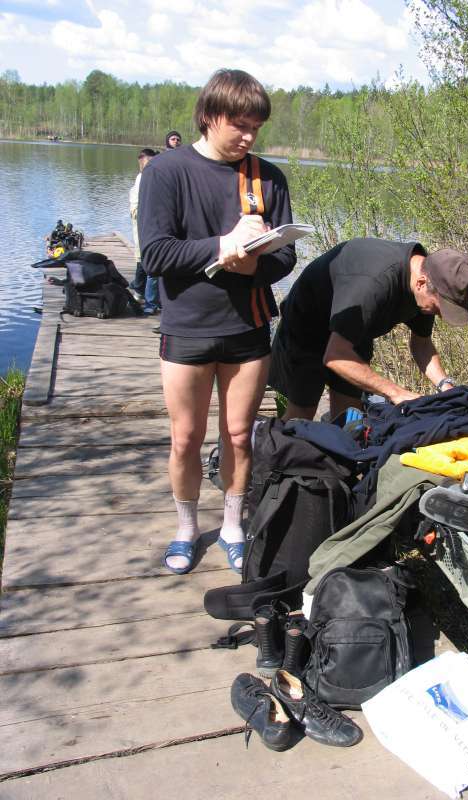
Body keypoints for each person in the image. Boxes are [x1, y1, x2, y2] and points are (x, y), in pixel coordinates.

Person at [138, 69, 296, 575]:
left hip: (247, 331)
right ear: (208, 116)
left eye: (256, 128)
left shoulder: (267, 178)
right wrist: (223, 246)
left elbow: (286, 256)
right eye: (239, 125)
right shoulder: (167, 172)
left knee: (239, 434)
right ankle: (186, 527)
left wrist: (257, 261)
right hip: (186, 327)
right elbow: (155, 253)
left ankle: (232, 525)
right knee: (185, 438)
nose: (248, 137)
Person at [268, 238, 468, 421]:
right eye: (440, 307)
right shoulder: (375, 284)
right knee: (300, 416)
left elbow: (421, 345)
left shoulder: (428, 282)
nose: (440, 314)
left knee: (349, 418)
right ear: (422, 283)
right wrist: (396, 393)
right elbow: (335, 356)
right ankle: (275, 459)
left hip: (355, 329)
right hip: (309, 324)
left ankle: (338, 459)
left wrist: (446, 387)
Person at [129, 148, 159, 305]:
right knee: (144, 260)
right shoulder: (142, 178)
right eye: (148, 163)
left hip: (150, 224)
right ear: (142, 163)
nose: (151, 166)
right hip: (143, 223)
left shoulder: (152, 177)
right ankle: (143, 296)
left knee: (143, 260)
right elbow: (136, 207)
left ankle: (140, 292)